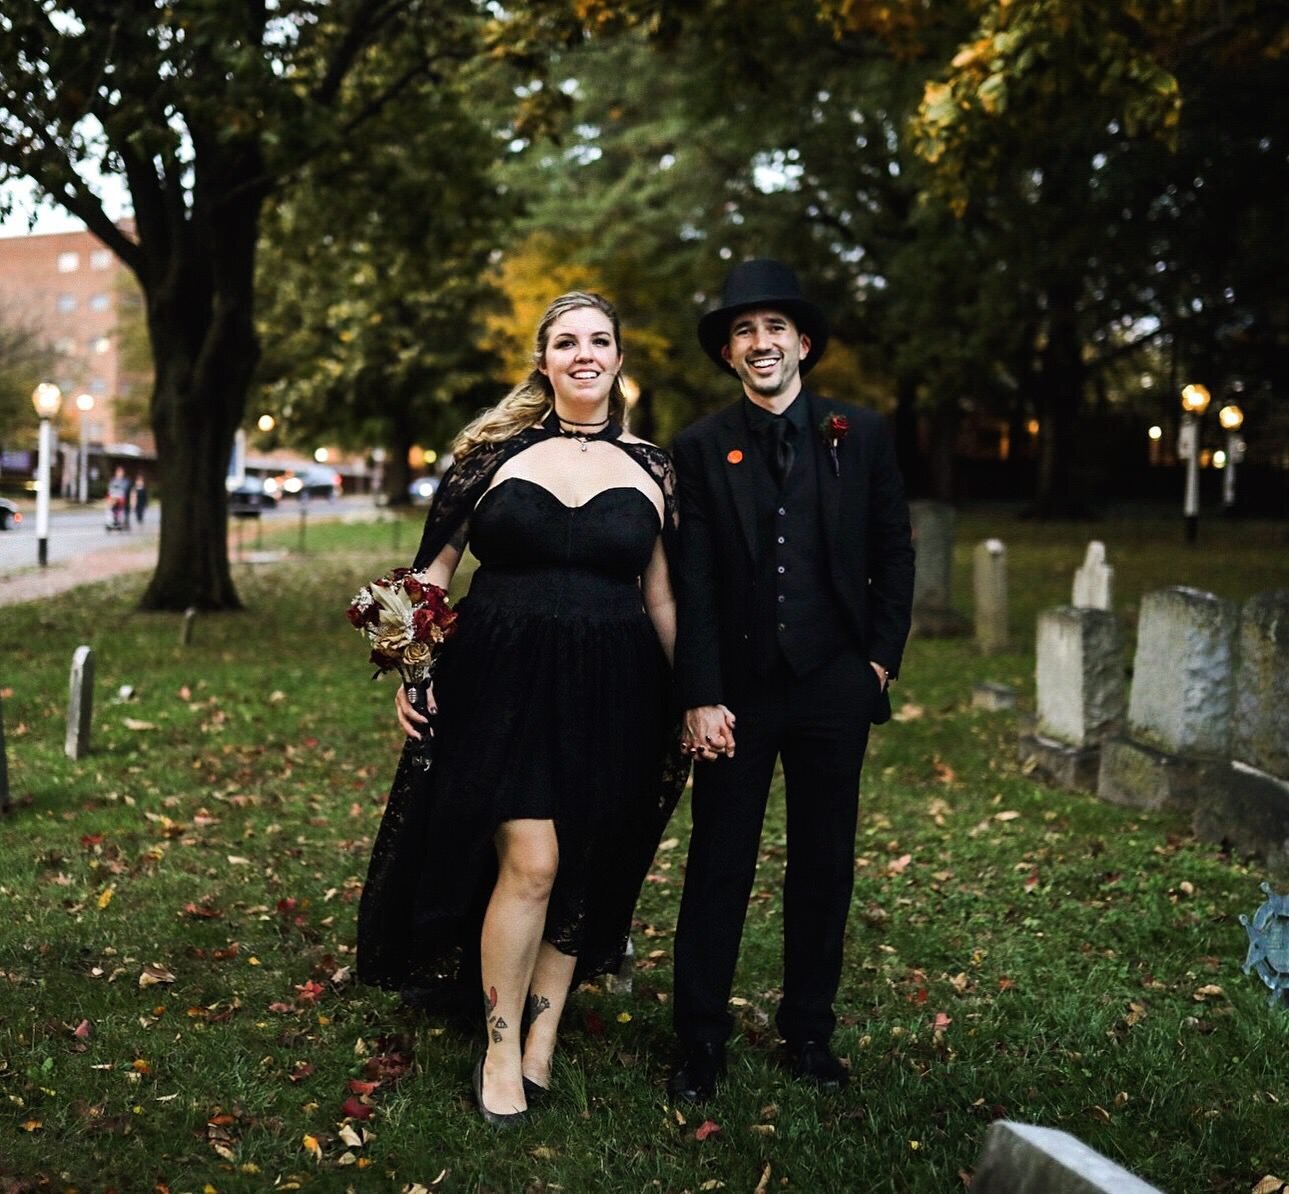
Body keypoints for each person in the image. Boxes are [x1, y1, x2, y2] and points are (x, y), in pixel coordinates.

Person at [356, 292, 687, 1126]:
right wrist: (411, 671)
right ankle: (500, 1046)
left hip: (617, 687)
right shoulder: (489, 456)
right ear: (543, 361)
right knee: (531, 861)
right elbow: (429, 575)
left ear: (619, 359)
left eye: (600, 340)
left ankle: (544, 1041)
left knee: (583, 863)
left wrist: (694, 697)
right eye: (566, 341)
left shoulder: (654, 468)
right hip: (498, 681)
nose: (584, 354)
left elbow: (662, 599)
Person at [668, 259, 915, 1102]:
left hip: (833, 683)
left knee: (823, 862)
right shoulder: (699, 449)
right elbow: (691, 578)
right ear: (730, 355)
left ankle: (808, 1031)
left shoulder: (862, 432)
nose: (759, 341)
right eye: (743, 330)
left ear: (801, 344)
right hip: (736, 690)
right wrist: (699, 692)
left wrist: (877, 663)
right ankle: (698, 1039)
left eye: (773, 327)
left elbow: (893, 550)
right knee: (718, 863)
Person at [106, 467, 131, 531]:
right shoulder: (113, 480)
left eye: (121, 472)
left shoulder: (125, 481)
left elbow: (125, 489)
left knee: (120, 509)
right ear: (116, 473)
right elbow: (110, 488)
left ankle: (119, 521)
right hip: (113, 497)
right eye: (118, 472)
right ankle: (111, 521)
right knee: (110, 508)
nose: (120, 474)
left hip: (120, 498)